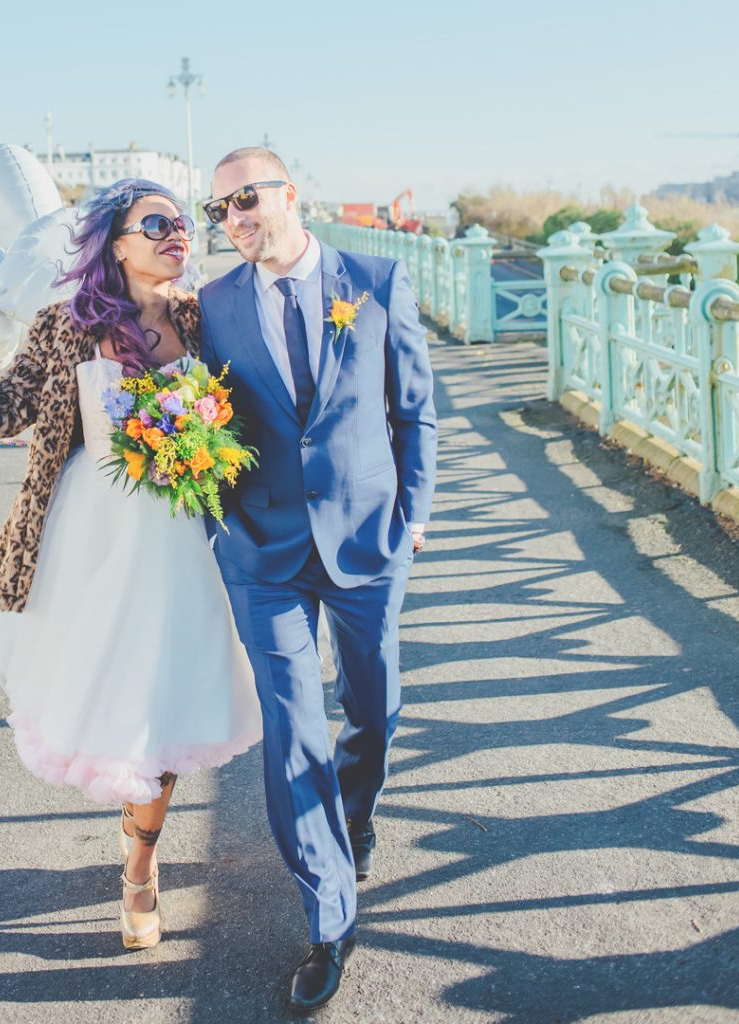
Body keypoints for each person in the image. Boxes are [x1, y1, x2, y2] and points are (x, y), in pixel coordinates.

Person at [0, 178, 261, 951]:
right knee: (117, 696)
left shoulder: (205, 317)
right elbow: (0, 410)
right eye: (156, 223)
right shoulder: (64, 327)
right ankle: (136, 830)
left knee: (167, 698)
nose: (176, 233)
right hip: (92, 545)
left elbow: (251, 408)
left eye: (183, 223)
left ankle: (141, 866)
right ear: (116, 243)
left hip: (187, 545)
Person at [198, 148, 437, 1014]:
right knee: (293, 726)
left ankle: (357, 812)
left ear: (290, 194)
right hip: (262, 551)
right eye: (218, 209)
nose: (234, 218)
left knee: (374, 709)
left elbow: (414, 409)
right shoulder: (213, 306)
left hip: (369, 540)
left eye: (246, 199)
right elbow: (192, 405)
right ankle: (329, 916)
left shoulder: (376, 278)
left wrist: (413, 517)